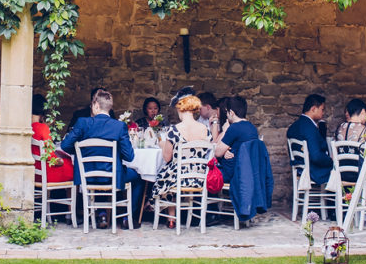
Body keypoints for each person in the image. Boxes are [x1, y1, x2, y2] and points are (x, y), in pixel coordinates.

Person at [61, 89, 143, 229]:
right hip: (112, 176)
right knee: (138, 177)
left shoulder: (82, 123)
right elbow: (129, 156)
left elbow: (65, 145)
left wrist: (81, 151)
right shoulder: (119, 126)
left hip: (87, 176)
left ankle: (102, 214)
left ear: (96, 105)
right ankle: (126, 217)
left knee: (103, 173)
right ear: (109, 107)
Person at [151, 89, 212, 228]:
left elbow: (167, 158)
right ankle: (178, 216)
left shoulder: (175, 130)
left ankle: (170, 217)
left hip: (179, 177)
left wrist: (162, 144)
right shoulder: (205, 130)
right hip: (199, 177)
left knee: (163, 174)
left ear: (180, 108)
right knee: (170, 172)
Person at [286, 93, 333, 185]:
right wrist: (331, 160)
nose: (323, 113)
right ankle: (342, 199)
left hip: (301, 168)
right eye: (322, 110)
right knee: (343, 173)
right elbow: (316, 156)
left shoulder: (294, 126)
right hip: (313, 171)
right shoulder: (310, 128)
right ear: (313, 109)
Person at [214, 96, 259, 182]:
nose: (226, 115)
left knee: (208, 173)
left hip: (233, 173)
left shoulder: (234, 128)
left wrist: (224, 131)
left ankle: (209, 196)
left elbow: (217, 153)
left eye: (227, 112)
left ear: (231, 112)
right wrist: (225, 151)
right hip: (248, 172)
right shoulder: (252, 127)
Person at [31, 94, 74, 183]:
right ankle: (74, 197)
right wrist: (61, 161)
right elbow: (51, 158)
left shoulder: (27, 128)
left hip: (33, 172)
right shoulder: (43, 128)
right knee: (74, 167)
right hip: (46, 174)